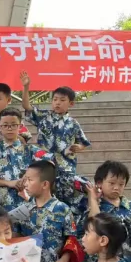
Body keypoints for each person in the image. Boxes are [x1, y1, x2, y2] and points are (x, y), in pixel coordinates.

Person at [20, 72, 91, 217]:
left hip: (65, 167)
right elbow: (27, 107)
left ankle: (67, 220)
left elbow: (83, 143)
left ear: (71, 103)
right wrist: (26, 87)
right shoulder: (44, 117)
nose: (57, 103)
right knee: (43, 195)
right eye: (55, 99)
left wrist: (78, 147)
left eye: (62, 100)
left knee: (67, 199)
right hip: (44, 165)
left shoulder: (73, 124)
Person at [0, 108, 47, 211]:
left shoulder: (31, 150)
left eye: (13, 125)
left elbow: (47, 167)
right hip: (2, 207)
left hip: (29, 205)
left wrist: (27, 178)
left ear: (20, 126)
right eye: (5, 125)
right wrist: (9, 183)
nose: (9, 128)